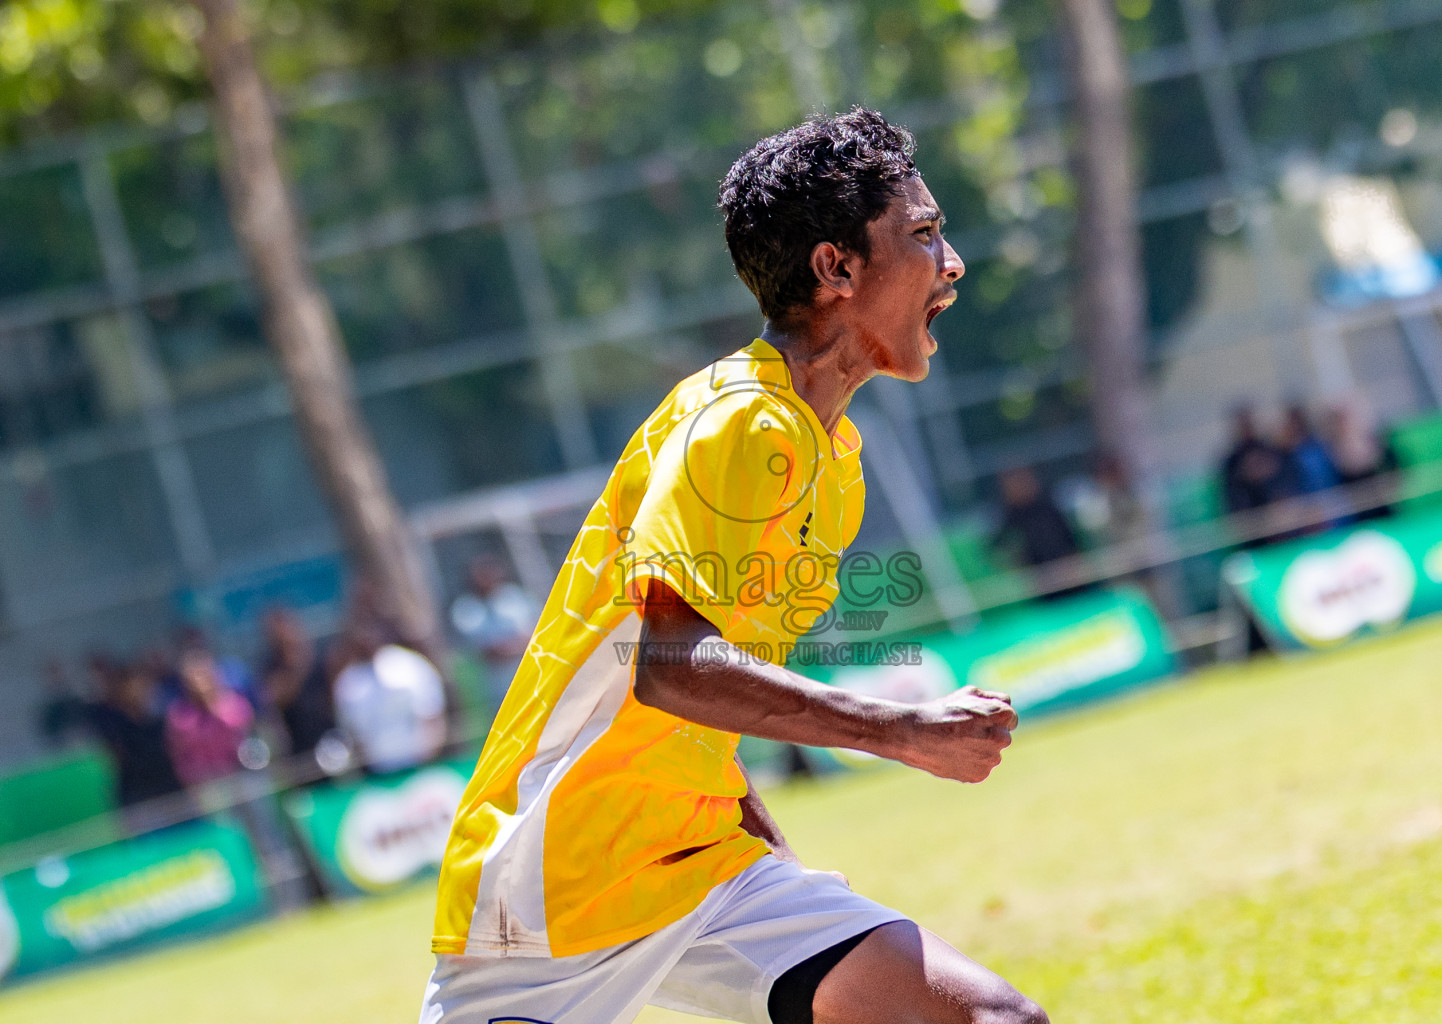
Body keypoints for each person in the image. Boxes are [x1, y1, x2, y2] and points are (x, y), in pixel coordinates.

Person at [421, 110, 1043, 1024]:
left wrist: (774, 863)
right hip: (565, 875)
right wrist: (903, 731)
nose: (951, 262)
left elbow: (714, 695)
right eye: (922, 234)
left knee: (988, 1019)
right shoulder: (737, 420)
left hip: (700, 859)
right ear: (835, 269)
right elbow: (674, 669)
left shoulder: (832, 458)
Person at [333, 623, 447, 773]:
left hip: (420, 768)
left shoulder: (408, 665)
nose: (366, 639)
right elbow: (352, 735)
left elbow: (432, 717)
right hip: (377, 776)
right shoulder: (349, 681)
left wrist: (427, 761)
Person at [80, 654, 183, 809]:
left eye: (143, 685)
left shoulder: (161, 722)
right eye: (131, 686)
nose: (138, 691)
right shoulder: (114, 729)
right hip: (139, 800)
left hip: (172, 795)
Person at [448, 554, 537, 711]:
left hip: (533, 676)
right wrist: (513, 645)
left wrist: (512, 645)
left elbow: (535, 634)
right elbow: (486, 651)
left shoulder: (514, 596)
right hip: (497, 689)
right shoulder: (467, 609)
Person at [164, 647, 255, 788]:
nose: (198, 682)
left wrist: (212, 706)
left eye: (202, 675)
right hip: (204, 784)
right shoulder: (179, 715)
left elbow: (244, 735)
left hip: (241, 776)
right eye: (193, 677)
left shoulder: (234, 703)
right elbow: (178, 754)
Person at [990, 465, 1085, 598]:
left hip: (1070, 575)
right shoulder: (1010, 518)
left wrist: (1073, 562)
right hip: (1040, 584)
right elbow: (999, 551)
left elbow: (1070, 537)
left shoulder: (1048, 506)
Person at [258, 606, 337, 758]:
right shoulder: (270, 667)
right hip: (299, 746)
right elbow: (275, 698)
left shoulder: (318, 655)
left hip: (329, 737)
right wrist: (296, 666)